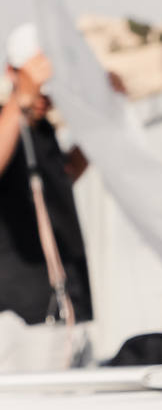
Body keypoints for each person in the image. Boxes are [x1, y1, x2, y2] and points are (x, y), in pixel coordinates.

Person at [0, 23, 94, 371]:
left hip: (65, 309)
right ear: (11, 72)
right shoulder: (8, 122)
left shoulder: (44, 131)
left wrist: (102, 119)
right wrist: (19, 99)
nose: (44, 96)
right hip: (20, 317)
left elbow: (65, 176)